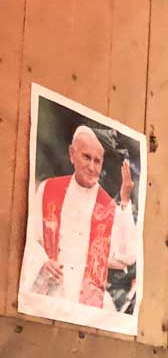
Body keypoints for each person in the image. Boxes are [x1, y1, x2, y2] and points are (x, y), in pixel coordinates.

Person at [21, 124, 138, 312]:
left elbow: (128, 255)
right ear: (72, 154)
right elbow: (29, 238)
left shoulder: (108, 207)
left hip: (88, 305)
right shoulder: (48, 189)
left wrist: (124, 200)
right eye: (86, 157)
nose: (92, 167)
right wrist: (43, 262)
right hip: (48, 295)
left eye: (97, 161)